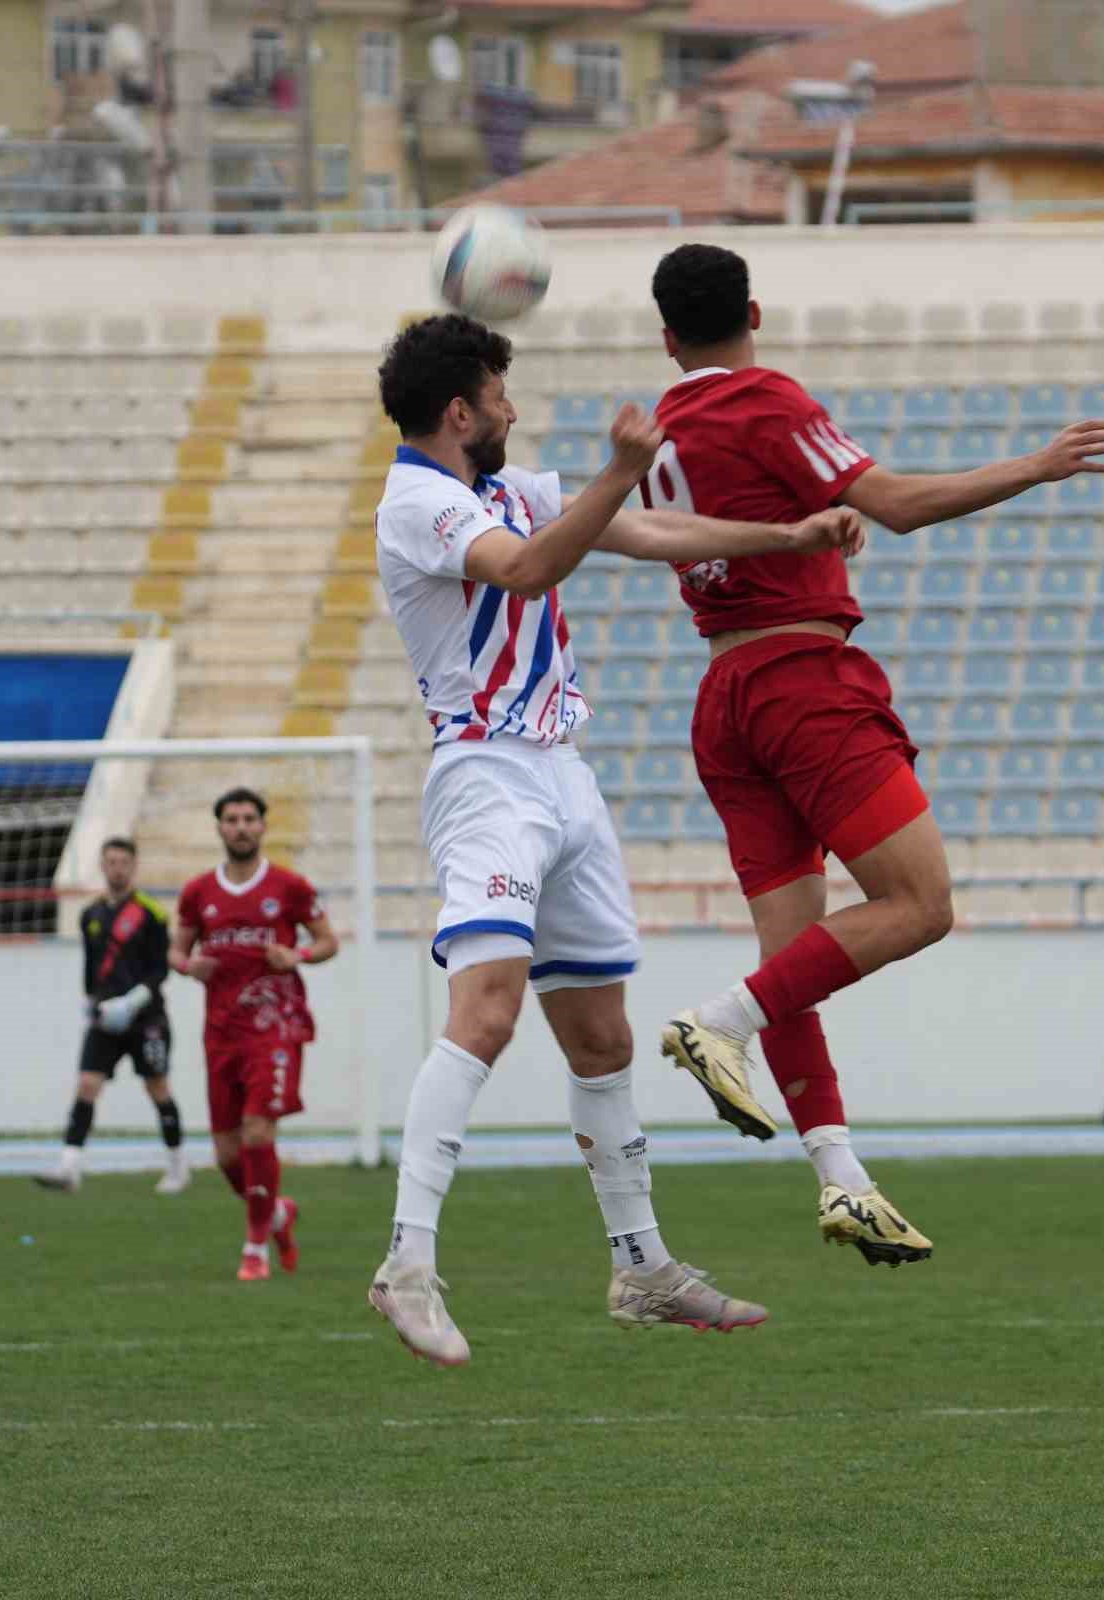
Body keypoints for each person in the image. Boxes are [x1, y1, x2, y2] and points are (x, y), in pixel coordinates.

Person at [368, 312, 863, 1366]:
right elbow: (525, 571)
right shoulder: (418, 501)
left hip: (562, 776)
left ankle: (640, 1266)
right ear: (458, 412)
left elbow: (648, 532)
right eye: (498, 396)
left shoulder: (511, 487)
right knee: (486, 1014)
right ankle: (406, 1262)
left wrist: (786, 537)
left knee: (602, 1039)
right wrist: (616, 473)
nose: (511, 410)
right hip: (487, 776)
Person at [643, 243, 1104, 1266]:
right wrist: (1034, 466)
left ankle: (842, 1181)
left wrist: (809, 532)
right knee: (919, 904)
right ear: (753, 314)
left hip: (723, 695)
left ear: (666, 336)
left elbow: (728, 522)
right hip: (801, 685)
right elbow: (894, 503)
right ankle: (715, 1021)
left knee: (794, 962)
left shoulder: (660, 429)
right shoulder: (764, 398)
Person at [170, 787, 339, 1281]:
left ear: (263, 826)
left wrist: (297, 955)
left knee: (258, 1133)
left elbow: (328, 941)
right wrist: (188, 966)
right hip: (220, 1032)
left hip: (274, 1028)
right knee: (227, 1155)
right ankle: (278, 1214)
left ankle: (254, 1248)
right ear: (219, 828)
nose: (241, 827)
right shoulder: (198, 892)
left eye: (249, 818)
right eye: (232, 819)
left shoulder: (289, 886)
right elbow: (176, 952)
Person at [35, 837, 187, 1195]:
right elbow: (91, 969)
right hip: (105, 1018)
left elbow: (160, 969)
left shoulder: (152, 913)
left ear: (133, 866)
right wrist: (91, 1002)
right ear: (102, 866)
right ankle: (69, 1168)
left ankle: (177, 1166)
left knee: (157, 1087)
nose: (117, 869)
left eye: (123, 862)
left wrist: (133, 1001)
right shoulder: (91, 915)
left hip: (146, 1019)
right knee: (87, 1084)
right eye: (111, 862)